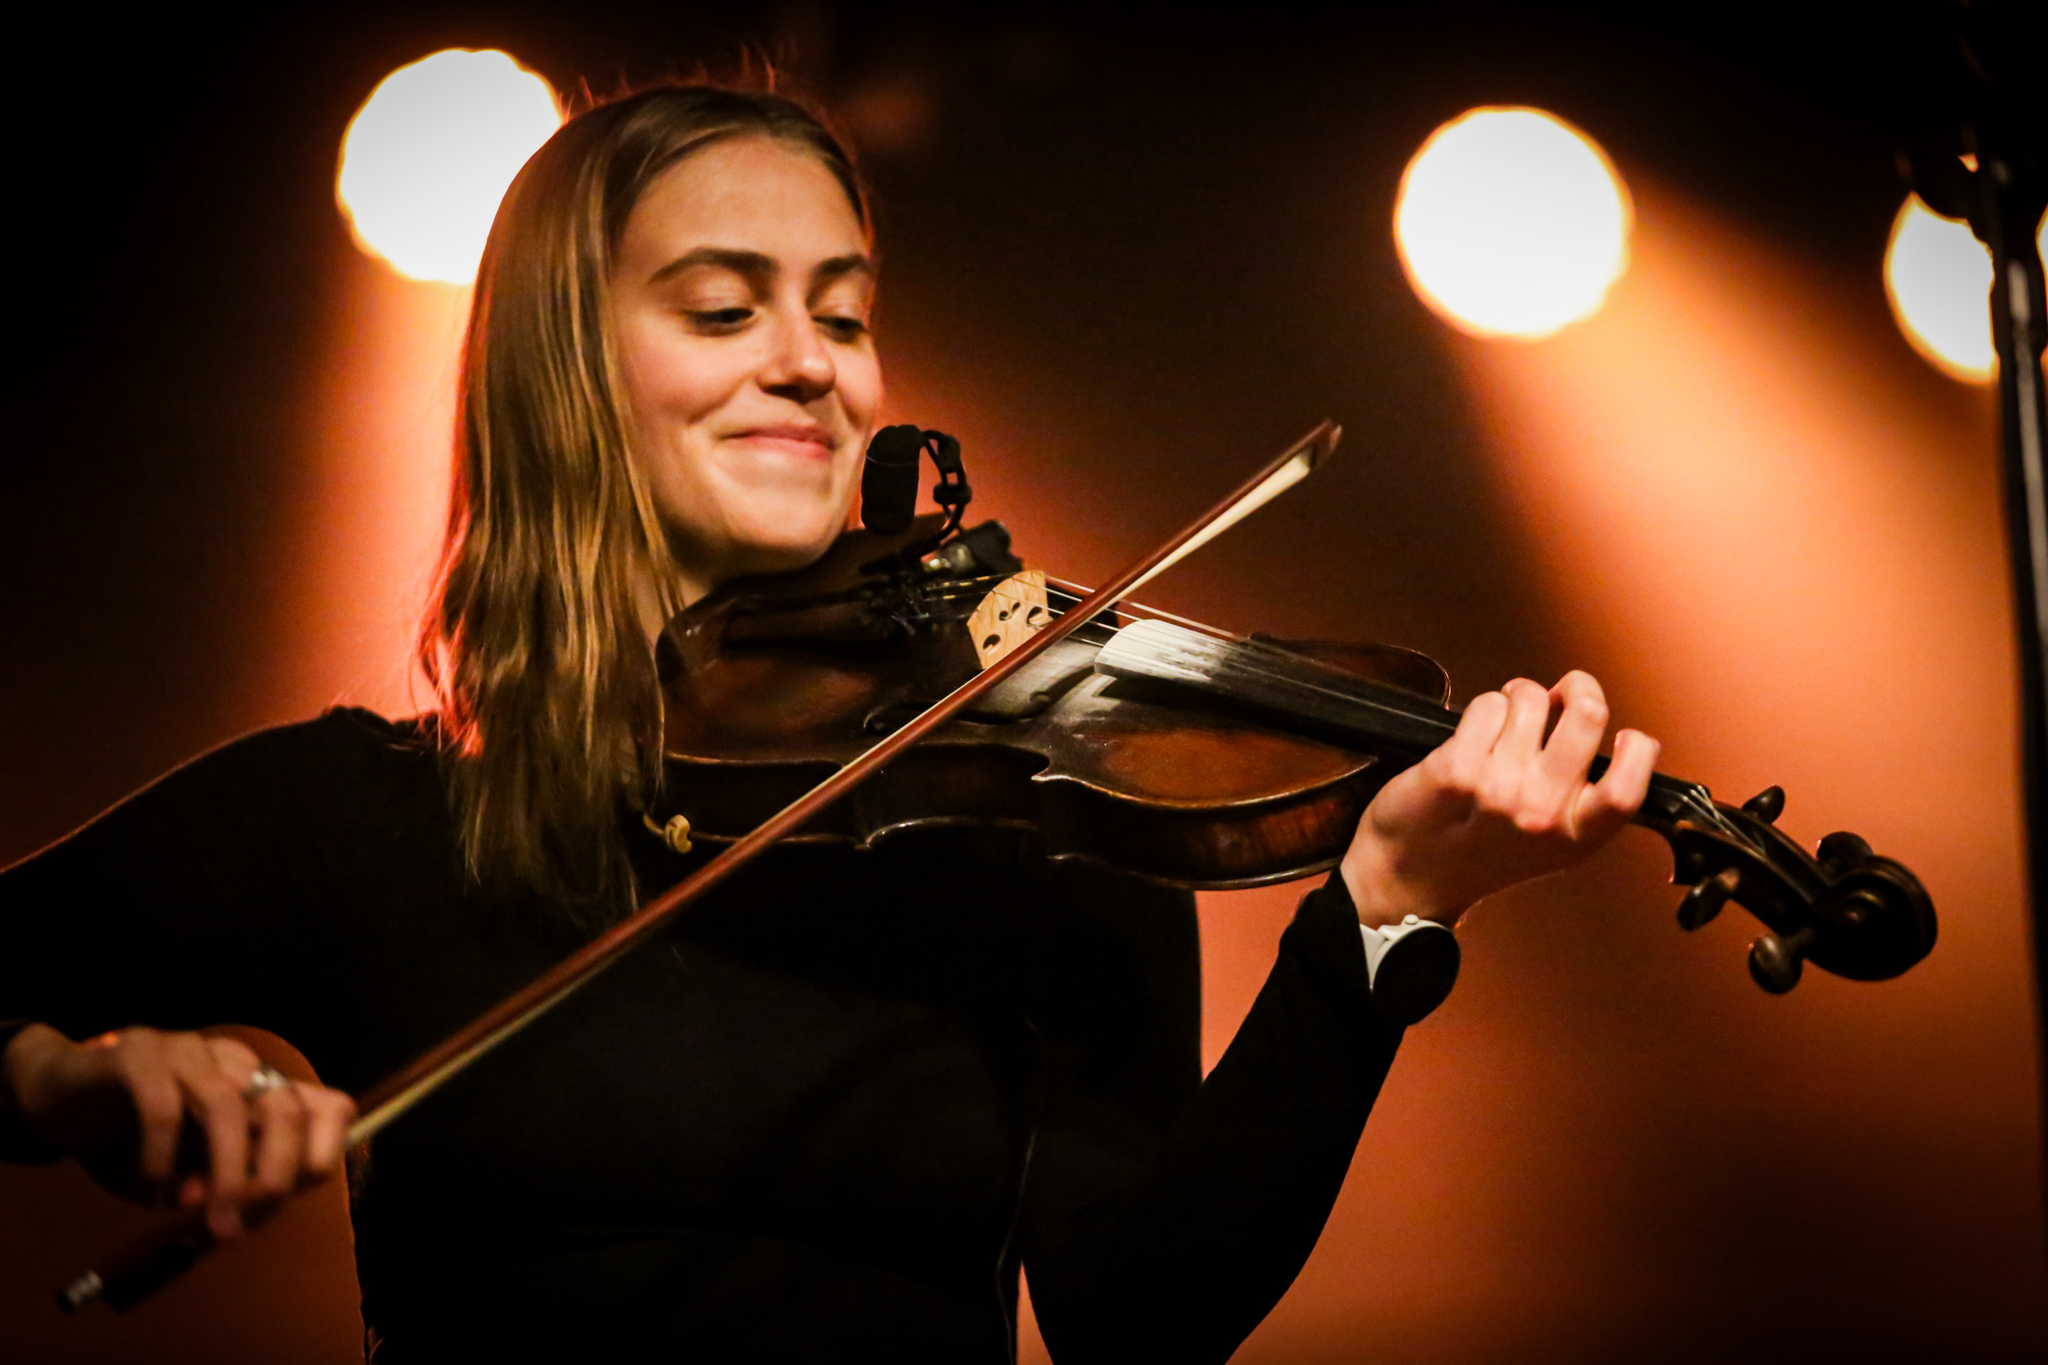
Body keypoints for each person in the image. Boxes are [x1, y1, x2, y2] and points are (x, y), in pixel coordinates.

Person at [0, 85, 1658, 1362]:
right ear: (561, 370)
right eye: (725, 311)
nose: (814, 365)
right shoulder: (361, 816)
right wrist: (72, 1070)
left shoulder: (1026, 796)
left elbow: (1136, 1318)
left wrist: (1384, 914)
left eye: (844, 314)